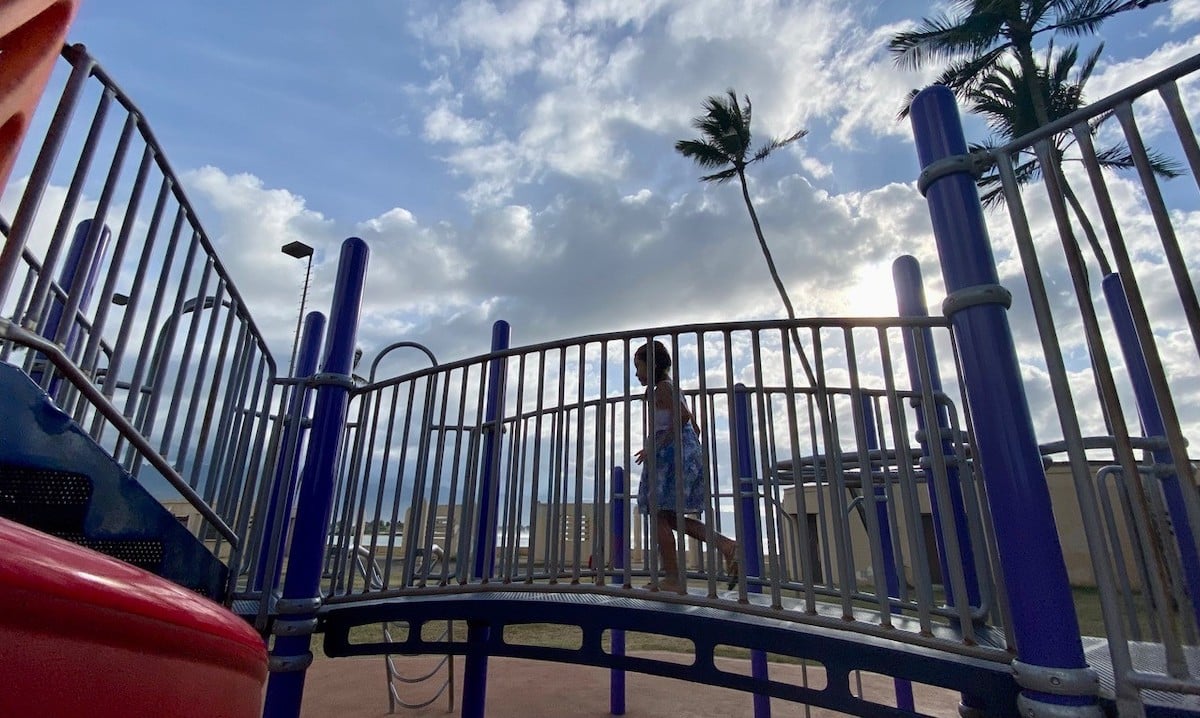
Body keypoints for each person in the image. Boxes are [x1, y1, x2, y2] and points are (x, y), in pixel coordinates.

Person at [634, 340, 738, 591]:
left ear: (652, 366)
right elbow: (694, 426)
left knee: (659, 515)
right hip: (680, 456)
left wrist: (656, 447)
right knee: (670, 518)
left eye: (639, 367)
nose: (637, 374)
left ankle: (673, 578)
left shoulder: (662, 389)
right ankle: (726, 546)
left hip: (669, 458)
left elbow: (682, 417)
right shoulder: (667, 389)